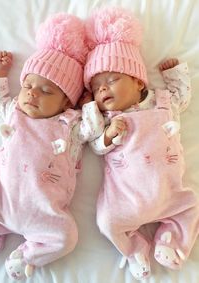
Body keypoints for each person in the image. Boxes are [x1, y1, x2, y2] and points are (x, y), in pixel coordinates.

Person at [0, 13, 104, 280]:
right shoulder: (14, 111)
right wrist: (0, 73)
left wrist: (87, 104)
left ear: (66, 103)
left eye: (46, 91)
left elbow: (94, 129)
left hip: (43, 212)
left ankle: (27, 255)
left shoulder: (70, 124)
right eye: (28, 85)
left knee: (67, 238)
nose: (32, 93)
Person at [83, 7, 199, 281]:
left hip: (169, 192)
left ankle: (171, 241)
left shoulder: (161, 102)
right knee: (106, 222)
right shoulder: (106, 120)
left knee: (191, 207)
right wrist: (108, 136)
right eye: (96, 87)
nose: (103, 89)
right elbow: (94, 145)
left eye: (112, 80)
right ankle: (135, 249)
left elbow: (182, 98)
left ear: (138, 82)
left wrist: (175, 76)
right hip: (125, 200)